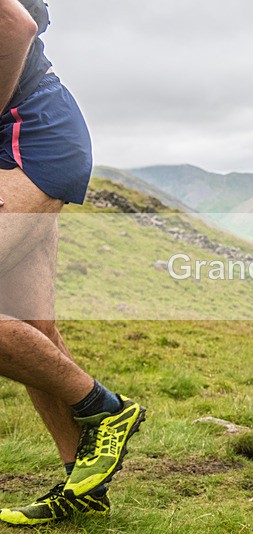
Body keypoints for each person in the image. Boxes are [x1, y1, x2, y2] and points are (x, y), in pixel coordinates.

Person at [0, 1, 145, 526]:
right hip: (27, 133)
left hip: (30, 137)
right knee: (34, 328)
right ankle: (80, 482)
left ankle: (107, 409)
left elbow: (18, 23)